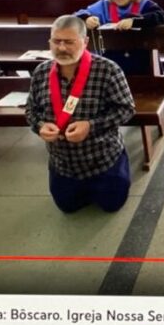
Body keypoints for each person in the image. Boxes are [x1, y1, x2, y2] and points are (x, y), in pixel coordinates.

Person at [26, 15, 136, 213]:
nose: (61, 48)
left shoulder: (108, 70)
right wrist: (40, 126)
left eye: (69, 42)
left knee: (112, 206)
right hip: (62, 165)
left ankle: (120, 171)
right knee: (67, 208)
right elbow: (31, 111)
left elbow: (126, 109)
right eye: (56, 41)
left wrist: (91, 126)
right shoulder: (41, 73)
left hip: (103, 161)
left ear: (84, 42)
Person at [74, 0, 164, 75]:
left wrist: (134, 21)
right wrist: (87, 19)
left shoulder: (143, 3)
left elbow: (162, 16)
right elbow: (78, 15)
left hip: (141, 57)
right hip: (113, 59)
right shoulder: (105, 4)